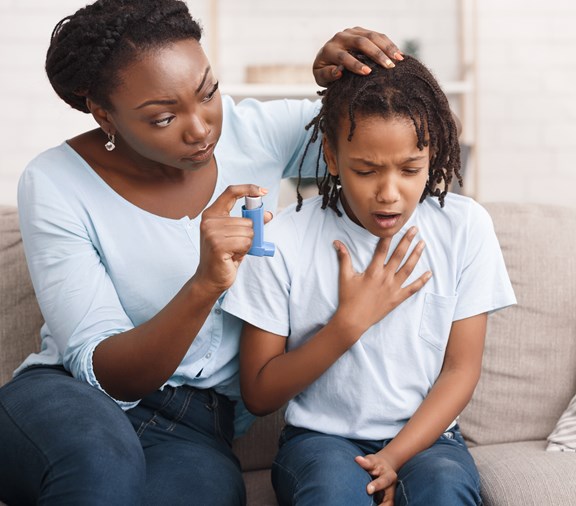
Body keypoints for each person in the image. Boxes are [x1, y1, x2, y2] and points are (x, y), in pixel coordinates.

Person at [0, 0, 406, 504]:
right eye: (164, 117)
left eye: (208, 92)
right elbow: (104, 373)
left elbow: (412, 140)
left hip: (196, 425)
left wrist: (346, 86)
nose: (201, 128)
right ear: (104, 115)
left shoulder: (254, 131)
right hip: (70, 399)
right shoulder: (56, 181)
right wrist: (205, 284)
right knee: (101, 468)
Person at [221, 54, 517, 506]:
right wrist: (348, 325)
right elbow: (259, 393)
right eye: (366, 170)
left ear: (432, 155)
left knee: (444, 489)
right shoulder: (284, 237)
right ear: (331, 157)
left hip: (430, 440)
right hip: (320, 441)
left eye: (410, 169)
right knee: (332, 493)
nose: (388, 192)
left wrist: (395, 456)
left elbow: (461, 369)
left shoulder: (465, 227)